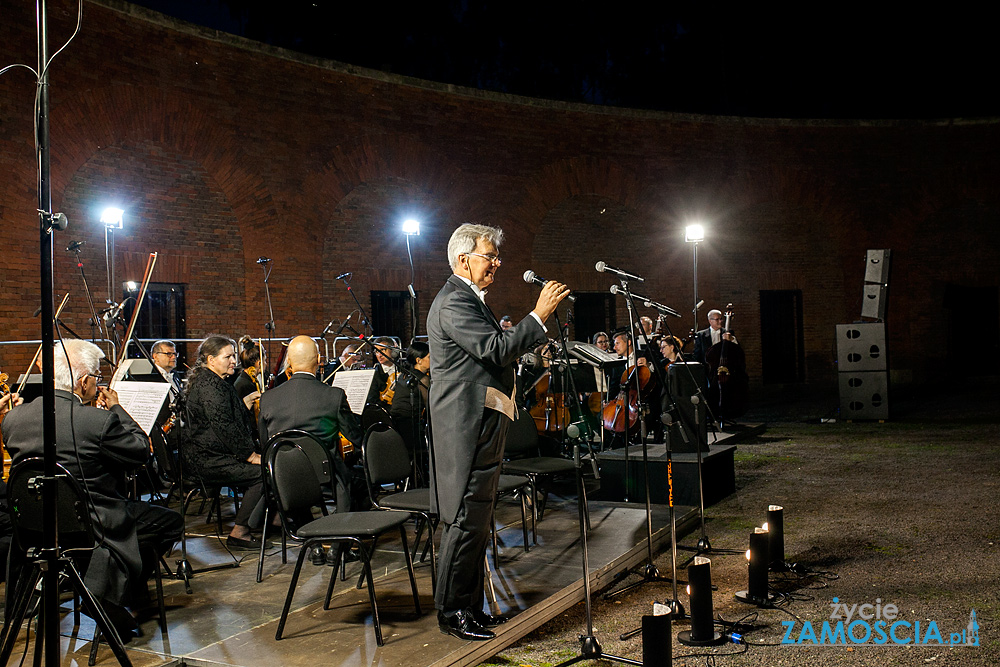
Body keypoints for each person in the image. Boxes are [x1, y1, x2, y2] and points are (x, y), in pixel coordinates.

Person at [427, 223, 569, 641]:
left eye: (495, 256)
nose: (496, 263)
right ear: (462, 259)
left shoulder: (470, 298)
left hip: (483, 421)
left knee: (477, 518)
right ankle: (452, 613)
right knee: (463, 519)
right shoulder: (454, 301)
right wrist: (538, 316)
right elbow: (494, 350)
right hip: (465, 427)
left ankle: (471, 607)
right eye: (489, 256)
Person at [1, 339, 183, 636]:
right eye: (97, 377)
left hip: (40, 525)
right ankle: (106, 594)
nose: (98, 383)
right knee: (169, 521)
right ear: (83, 381)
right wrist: (117, 408)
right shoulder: (97, 421)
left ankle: (101, 587)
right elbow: (139, 451)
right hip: (95, 523)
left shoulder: (13, 419)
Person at [258, 335, 363, 564]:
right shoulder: (333, 395)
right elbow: (355, 437)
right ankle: (338, 547)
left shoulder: (268, 398)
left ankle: (314, 545)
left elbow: (265, 442)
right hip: (324, 473)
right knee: (349, 481)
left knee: (292, 479)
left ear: (289, 363)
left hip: (285, 476)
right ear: (318, 360)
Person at [182, 335, 267, 550]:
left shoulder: (213, 381)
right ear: (211, 360)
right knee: (262, 474)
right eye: (228, 357)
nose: (234, 361)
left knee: (269, 463)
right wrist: (250, 455)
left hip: (215, 453)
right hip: (208, 459)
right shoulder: (210, 386)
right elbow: (223, 426)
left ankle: (270, 517)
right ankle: (240, 531)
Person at [389, 341, 430, 458]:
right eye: (429, 357)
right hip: (411, 429)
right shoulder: (422, 379)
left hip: (397, 425)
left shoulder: (403, 375)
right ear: (419, 360)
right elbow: (430, 407)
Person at [233, 335, 265, 427]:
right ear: (259, 363)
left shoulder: (247, 379)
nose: (265, 364)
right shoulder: (244, 384)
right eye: (264, 361)